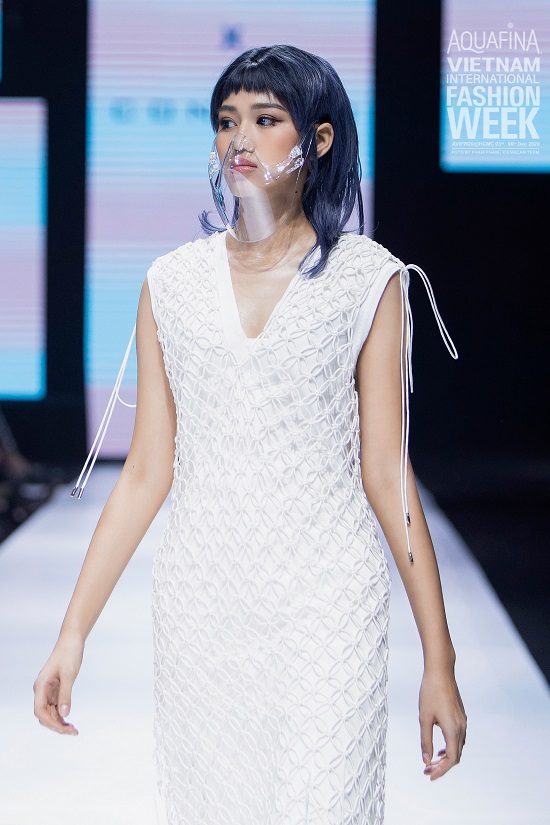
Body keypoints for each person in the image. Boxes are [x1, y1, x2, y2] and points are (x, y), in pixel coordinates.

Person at [34, 45, 466, 824]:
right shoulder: (172, 283)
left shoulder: (368, 279)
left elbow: (386, 472)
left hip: (330, 600)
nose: (240, 138)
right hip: (204, 603)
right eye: (227, 120)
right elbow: (147, 472)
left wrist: (440, 658)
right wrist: (72, 633)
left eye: (266, 119)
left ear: (319, 139)